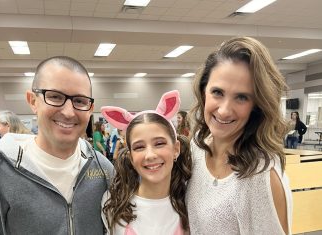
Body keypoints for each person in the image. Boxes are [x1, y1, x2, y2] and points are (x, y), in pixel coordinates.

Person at [186, 37, 292, 235]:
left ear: (256, 106)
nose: (225, 110)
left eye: (242, 97)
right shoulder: (197, 148)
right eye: (217, 92)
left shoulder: (260, 175)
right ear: (203, 92)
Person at [0, 56, 114, 234]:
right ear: (33, 101)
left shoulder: (104, 170)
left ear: (90, 109)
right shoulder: (3, 171)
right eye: (54, 96)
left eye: (80, 101)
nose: (68, 112)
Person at [100, 90, 192, 235]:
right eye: (139, 147)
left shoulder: (190, 204)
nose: (150, 155)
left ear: (176, 149)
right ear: (131, 157)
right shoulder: (113, 203)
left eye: (159, 143)